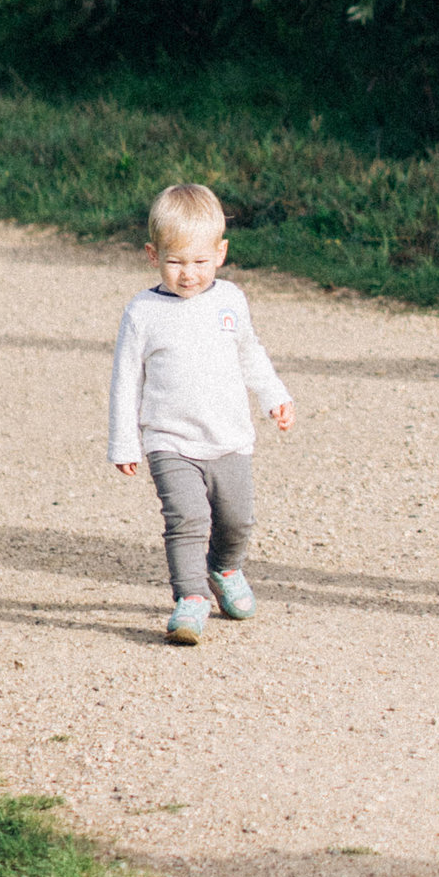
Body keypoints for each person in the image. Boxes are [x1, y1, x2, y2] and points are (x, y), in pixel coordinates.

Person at [108, 181, 295, 644]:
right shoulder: (143, 312)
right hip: (169, 440)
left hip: (229, 438)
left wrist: (274, 395)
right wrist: (124, 440)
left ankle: (224, 569)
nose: (188, 274)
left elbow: (250, 353)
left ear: (221, 253)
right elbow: (125, 379)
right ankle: (190, 598)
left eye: (199, 262)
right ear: (153, 255)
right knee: (187, 517)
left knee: (237, 520)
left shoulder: (230, 300)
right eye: (175, 261)